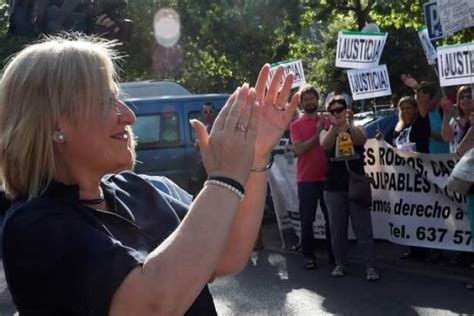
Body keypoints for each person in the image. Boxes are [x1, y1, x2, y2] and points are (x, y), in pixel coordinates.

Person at [0, 34, 300, 315]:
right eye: (106, 101)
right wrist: (222, 180)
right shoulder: (33, 225)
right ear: (56, 126)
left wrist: (256, 156)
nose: (128, 116)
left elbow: (227, 254)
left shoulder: (139, 188)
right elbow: (155, 304)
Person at [321, 95, 379, 281]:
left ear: (347, 110)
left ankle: (370, 266)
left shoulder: (356, 127)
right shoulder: (326, 131)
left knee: (363, 227)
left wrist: (349, 122)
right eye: (333, 111)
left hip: (356, 184)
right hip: (334, 187)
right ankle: (340, 263)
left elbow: (361, 140)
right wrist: (335, 126)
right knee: (337, 228)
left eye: (340, 109)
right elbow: (325, 145)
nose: (337, 113)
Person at [289, 84, 335, 270]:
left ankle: (335, 256)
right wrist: (318, 134)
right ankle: (309, 256)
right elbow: (299, 149)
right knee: (307, 219)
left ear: (318, 100)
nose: (310, 102)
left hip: (327, 178)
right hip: (306, 179)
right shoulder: (296, 125)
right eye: (306, 99)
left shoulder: (327, 120)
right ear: (301, 103)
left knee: (331, 218)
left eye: (312, 98)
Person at [401, 75, 449, 154]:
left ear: (435, 98)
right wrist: (416, 87)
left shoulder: (445, 111)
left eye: (425, 101)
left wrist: (429, 133)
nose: (422, 104)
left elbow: (450, 136)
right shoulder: (422, 115)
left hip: (448, 159)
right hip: (429, 161)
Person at [441, 85, 474, 154]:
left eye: (469, 97)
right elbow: (446, 138)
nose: (465, 99)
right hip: (457, 162)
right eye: (462, 97)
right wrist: (446, 113)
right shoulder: (454, 121)